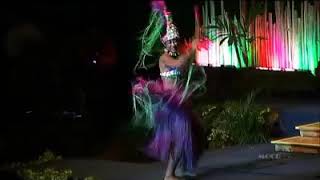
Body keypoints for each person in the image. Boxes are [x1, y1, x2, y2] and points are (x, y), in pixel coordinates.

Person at [131, 1, 206, 179]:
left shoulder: (179, 53)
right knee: (181, 137)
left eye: (175, 40)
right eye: (170, 41)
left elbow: (194, 43)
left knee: (192, 137)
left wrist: (197, 17)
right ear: (165, 42)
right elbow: (179, 64)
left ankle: (176, 170)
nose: (173, 43)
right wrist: (190, 51)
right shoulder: (164, 58)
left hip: (180, 102)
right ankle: (169, 174)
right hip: (170, 106)